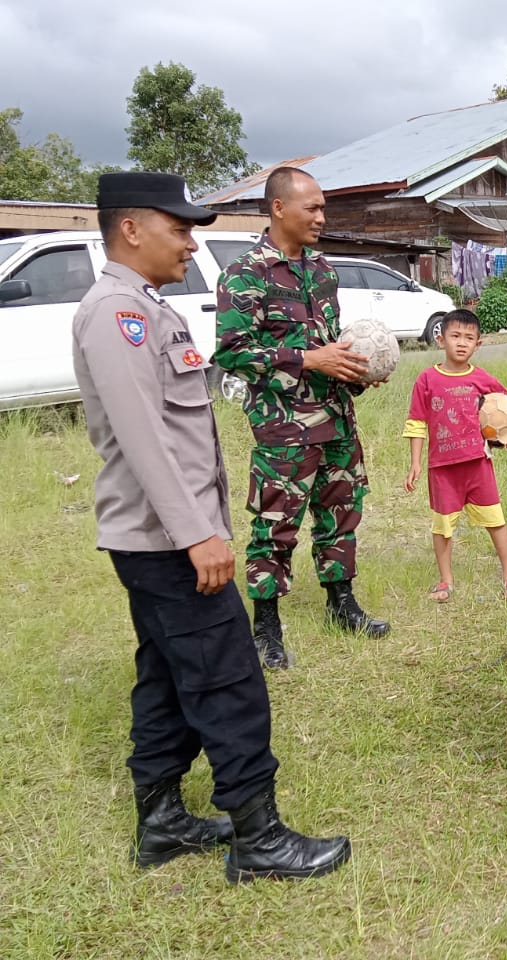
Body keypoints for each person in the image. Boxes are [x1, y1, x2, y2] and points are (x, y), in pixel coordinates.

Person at [73, 171, 349, 883]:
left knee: (166, 675)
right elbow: (143, 438)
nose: (191, 242)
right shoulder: (117, 314)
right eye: (179, 227)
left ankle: (162, 822)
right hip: (166, 541)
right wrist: (200, 533)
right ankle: (260, 842)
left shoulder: (144, 306)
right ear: (132, 228)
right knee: (229, 682)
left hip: (159, 537)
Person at [215, 166, 388, 672]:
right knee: (276, 523)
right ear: (278, 209)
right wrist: (310, 360)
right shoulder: (246, 274)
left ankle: (342, 605)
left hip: (336, 417)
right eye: (311, 208)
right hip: (284, 426)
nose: (321, 216)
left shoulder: (323, 271)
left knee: (341, 512)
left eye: (322, 208)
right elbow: (232, 352)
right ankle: (265, 625)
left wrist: (355, 371)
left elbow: (331, 344)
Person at [403, 309, 507, 602]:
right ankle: (445, 580)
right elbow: (417, 422)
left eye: (469, 338)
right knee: (442, 527)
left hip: (478, 465)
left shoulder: (481, 378)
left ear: (478, 345)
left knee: (496, 521)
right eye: (455, 336)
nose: (461, 343)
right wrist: (416, 462)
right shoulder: (427, 379)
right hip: (442, 469)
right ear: (441, 339)